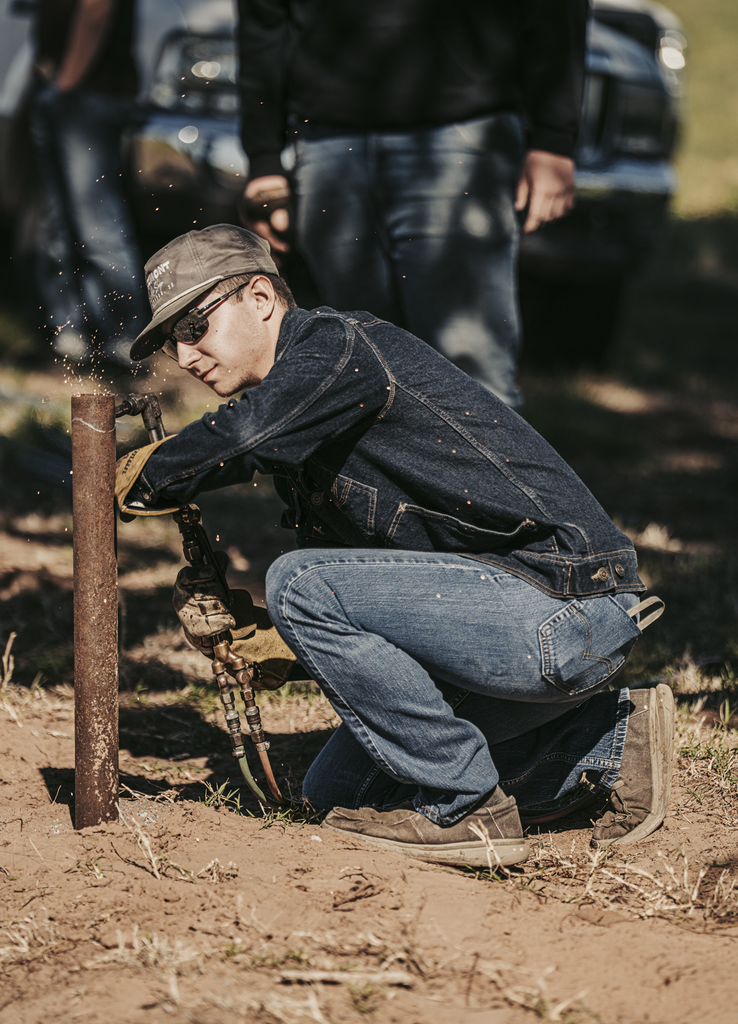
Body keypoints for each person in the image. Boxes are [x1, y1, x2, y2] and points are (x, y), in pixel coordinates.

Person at [116, 224, 673, 868]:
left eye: (194, 327)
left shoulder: (337, 348)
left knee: (299, 581)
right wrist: (271, 641)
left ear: (261, 298)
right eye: (171, 342)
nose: (185, 356)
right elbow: (386, 616)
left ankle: (467, 807)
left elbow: (248, 435)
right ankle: (610, 742)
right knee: (340, 792)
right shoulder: (307, 439)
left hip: (567, 613)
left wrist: (147, 473)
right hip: (516, 626)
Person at [236, 0, 587, 409]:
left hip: (463, 128)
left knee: (471, 371)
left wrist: (553, 136)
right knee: (359, 372)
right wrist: (263, 159)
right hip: (326, 141)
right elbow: (262, 19)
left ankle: (484, 455)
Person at [29, 0, 146, 371]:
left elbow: (96, 6)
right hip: (67, 88)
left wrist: (66, 83)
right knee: (58, 224)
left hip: (88, 92)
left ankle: (126, 340)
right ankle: (73, 335)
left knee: (96, 226)